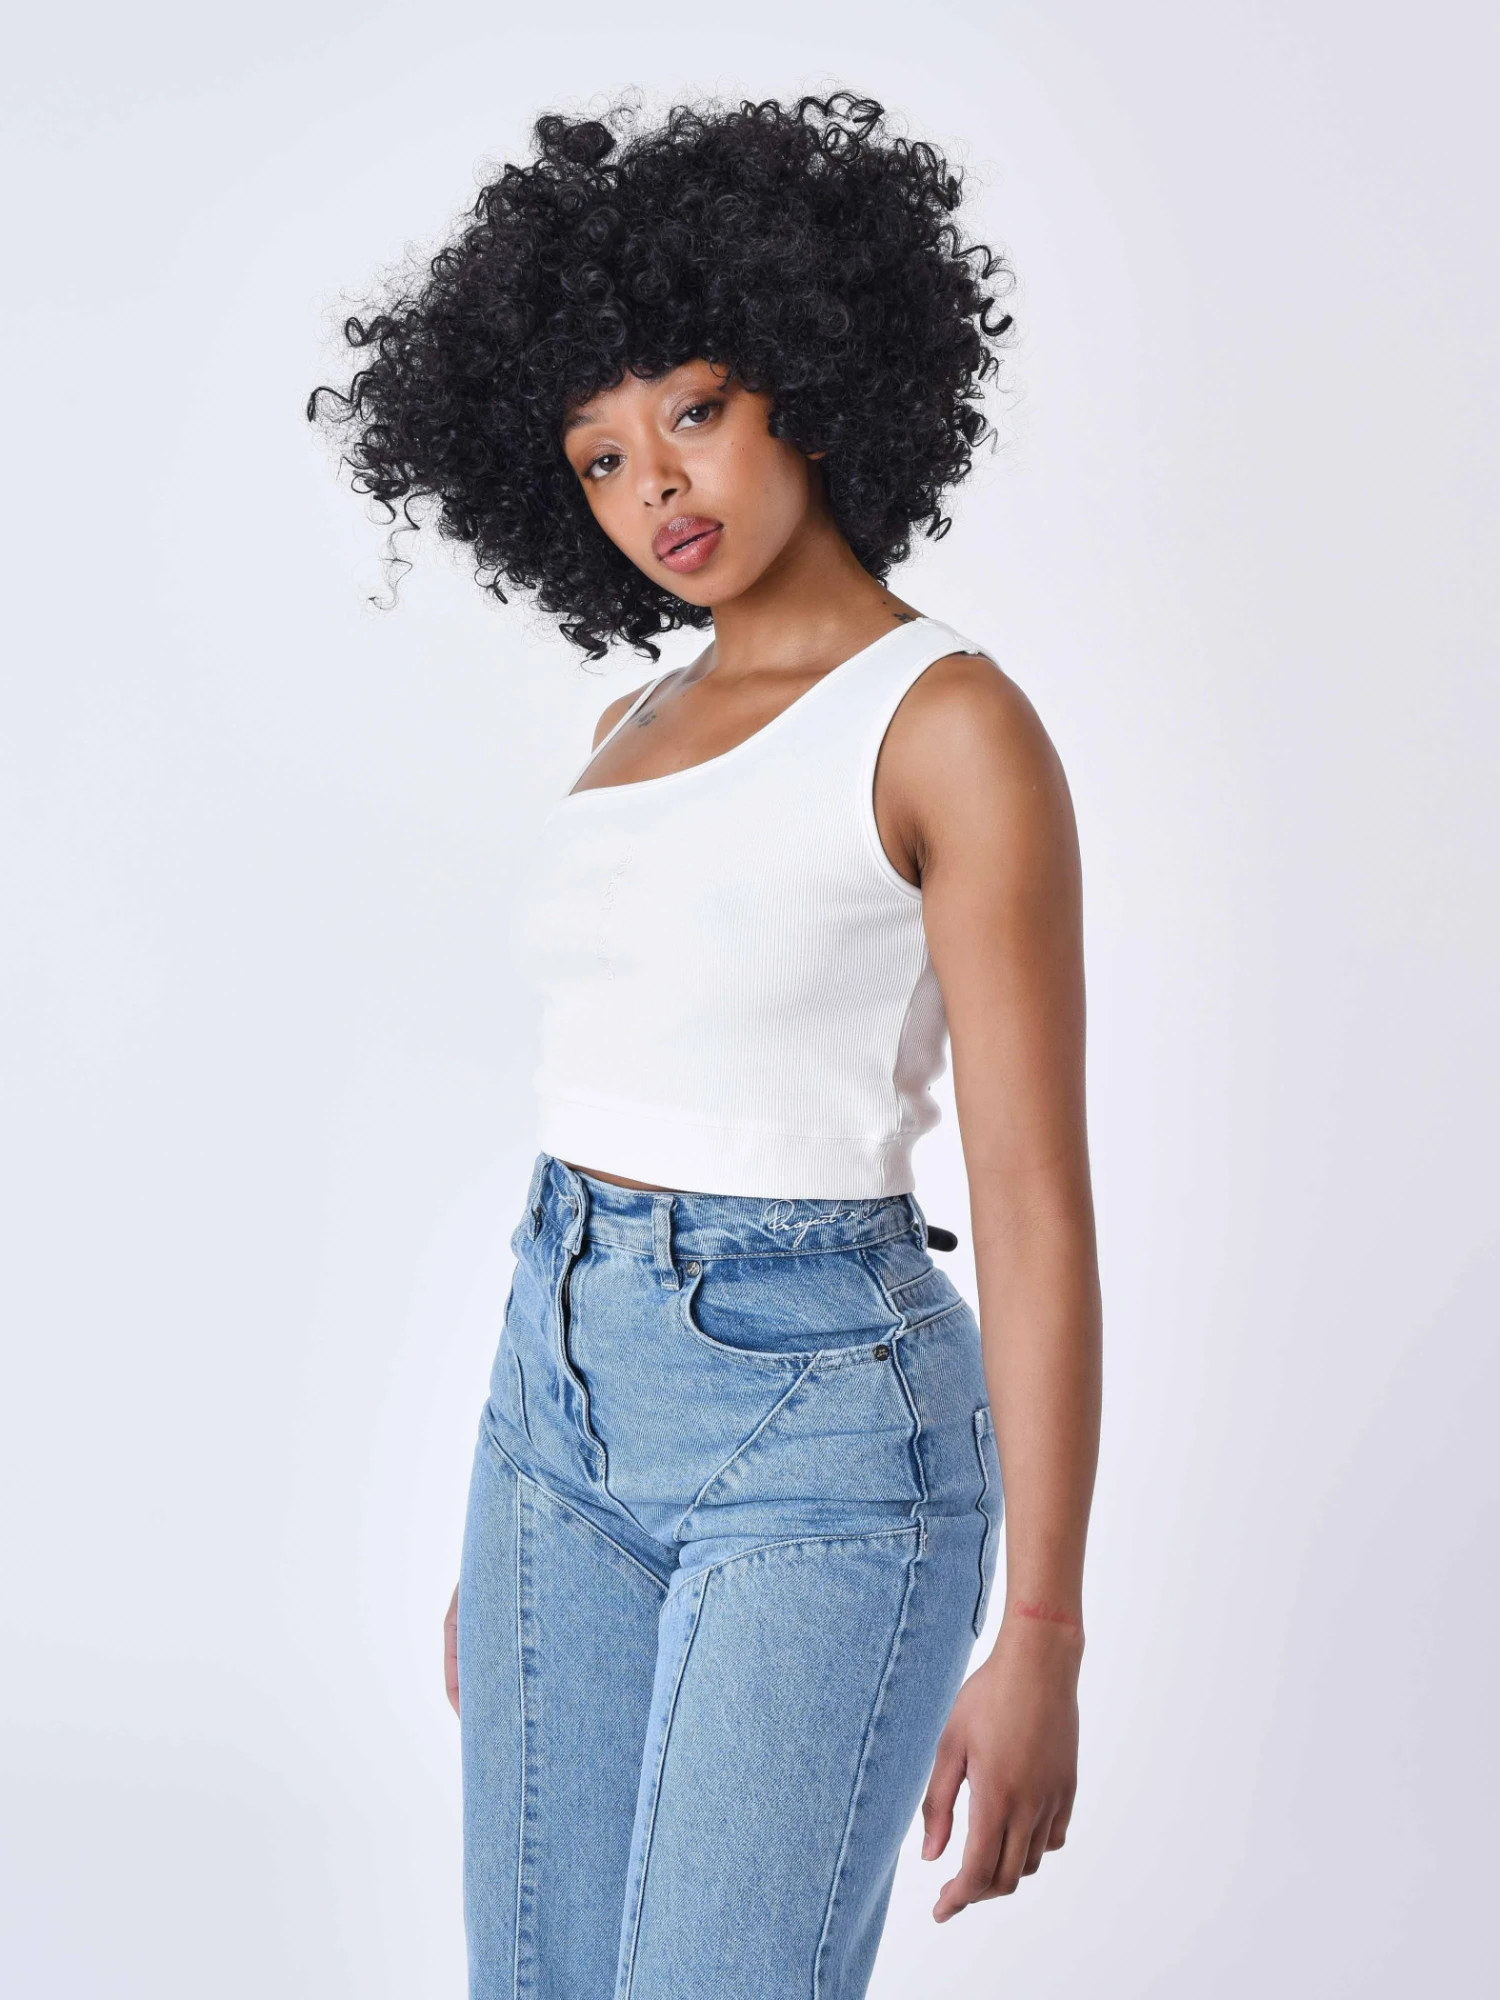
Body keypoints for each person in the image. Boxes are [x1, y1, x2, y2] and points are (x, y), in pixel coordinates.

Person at [308, 89, 1102, 2000]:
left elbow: (1032, 1200)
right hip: (552, 1402)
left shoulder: (946, 725)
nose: (655, 486)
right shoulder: (630, 731)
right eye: (598, 459)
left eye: (692, 410)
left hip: (820, 1424)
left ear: (806, 380)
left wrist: (1045, 1634)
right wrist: (526, 1503)